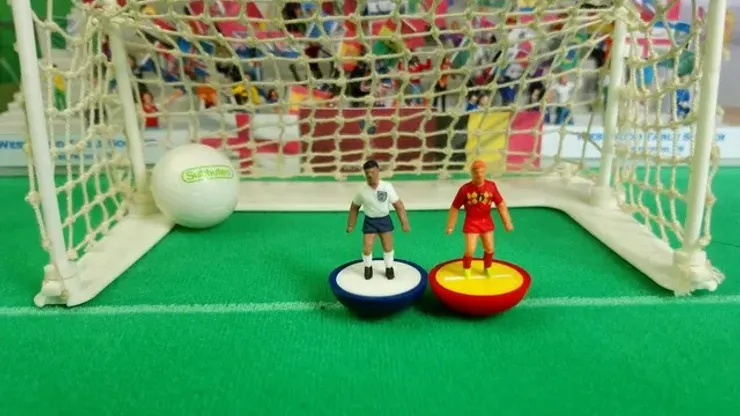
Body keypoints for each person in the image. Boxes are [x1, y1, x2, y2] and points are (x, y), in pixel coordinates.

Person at [446, 159, 513, 279]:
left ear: (485, 171)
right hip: (471, 222)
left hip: (486, 221)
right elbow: (454, 208)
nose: (479, 174)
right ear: (472, 172)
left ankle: (487, 267)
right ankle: (467, 268)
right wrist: (450, 225)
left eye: (482, 171)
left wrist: (507, 222)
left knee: (490, 248)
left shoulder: (491, 187)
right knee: (470, 249)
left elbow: (501, 205)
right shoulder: (465, 189)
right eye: (476, 172)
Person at [346, 160, 410, 280]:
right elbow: (354, 207)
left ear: (378, 171)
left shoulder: (386, 187)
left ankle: (389, 267)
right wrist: (351, 225)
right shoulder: (362, 190)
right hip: (370, 221)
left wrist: (404, 223)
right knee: (367, 247)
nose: (370, 175)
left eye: (373, 172)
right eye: (367, 173)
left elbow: (398, 205)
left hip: (384, 220)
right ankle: (368, 267)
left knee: (387, 246)